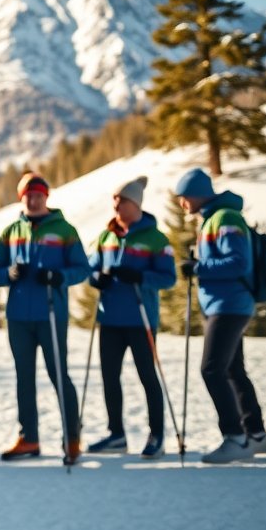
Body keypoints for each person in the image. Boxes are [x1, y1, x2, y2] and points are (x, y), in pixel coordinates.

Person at [0, 172, 89, 463]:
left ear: (46, 196)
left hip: (51, 313)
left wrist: (59, 276)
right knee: (24, 378)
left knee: (59, 375)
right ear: (22, 198)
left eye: (38, 195)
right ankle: (29, 438)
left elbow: (81, 268)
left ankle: (72, 437)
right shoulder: (11, 232)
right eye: (27, 195)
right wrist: (8, 275)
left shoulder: (64, 230)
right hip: (18, 316)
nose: (33, 200)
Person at [175, 168, 266, 464]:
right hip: (226, 303)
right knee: (232, 369)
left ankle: (235, 437)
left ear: (196, 194)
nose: (182, 204)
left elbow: (238, 262)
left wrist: (199, 268)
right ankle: (256, 435)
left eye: (183, 197)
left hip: (229, 304)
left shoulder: (224, 218)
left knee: (212, 369)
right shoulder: (214, 218)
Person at [84, 176, 177, 459]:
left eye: (121, 200)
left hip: (140, 319)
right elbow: (90, 267)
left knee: (147, 376)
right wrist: (96, 278)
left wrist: (140, 277)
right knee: (110, 376)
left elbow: (168, 278)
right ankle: (116, 434)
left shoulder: (156, 239)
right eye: (114, 199)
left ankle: (157, 434)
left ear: (135, 204)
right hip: (109, 318)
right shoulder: (106, 236)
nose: (116, 205)